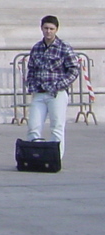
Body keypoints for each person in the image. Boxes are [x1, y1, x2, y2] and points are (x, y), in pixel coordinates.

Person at [25, 15, 79, 157]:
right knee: (33, 126)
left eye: (51, 29)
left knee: (56, 127)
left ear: (56, 30)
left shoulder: (64, 47)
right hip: (39, 93)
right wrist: (31, 84)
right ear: (41, 29)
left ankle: (56, 157)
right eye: (46, 28)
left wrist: (60, 85)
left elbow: (74, 69)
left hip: (56, 93)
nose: (48, 31)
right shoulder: (36, 48)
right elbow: (31, 68)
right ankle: (34, 155)